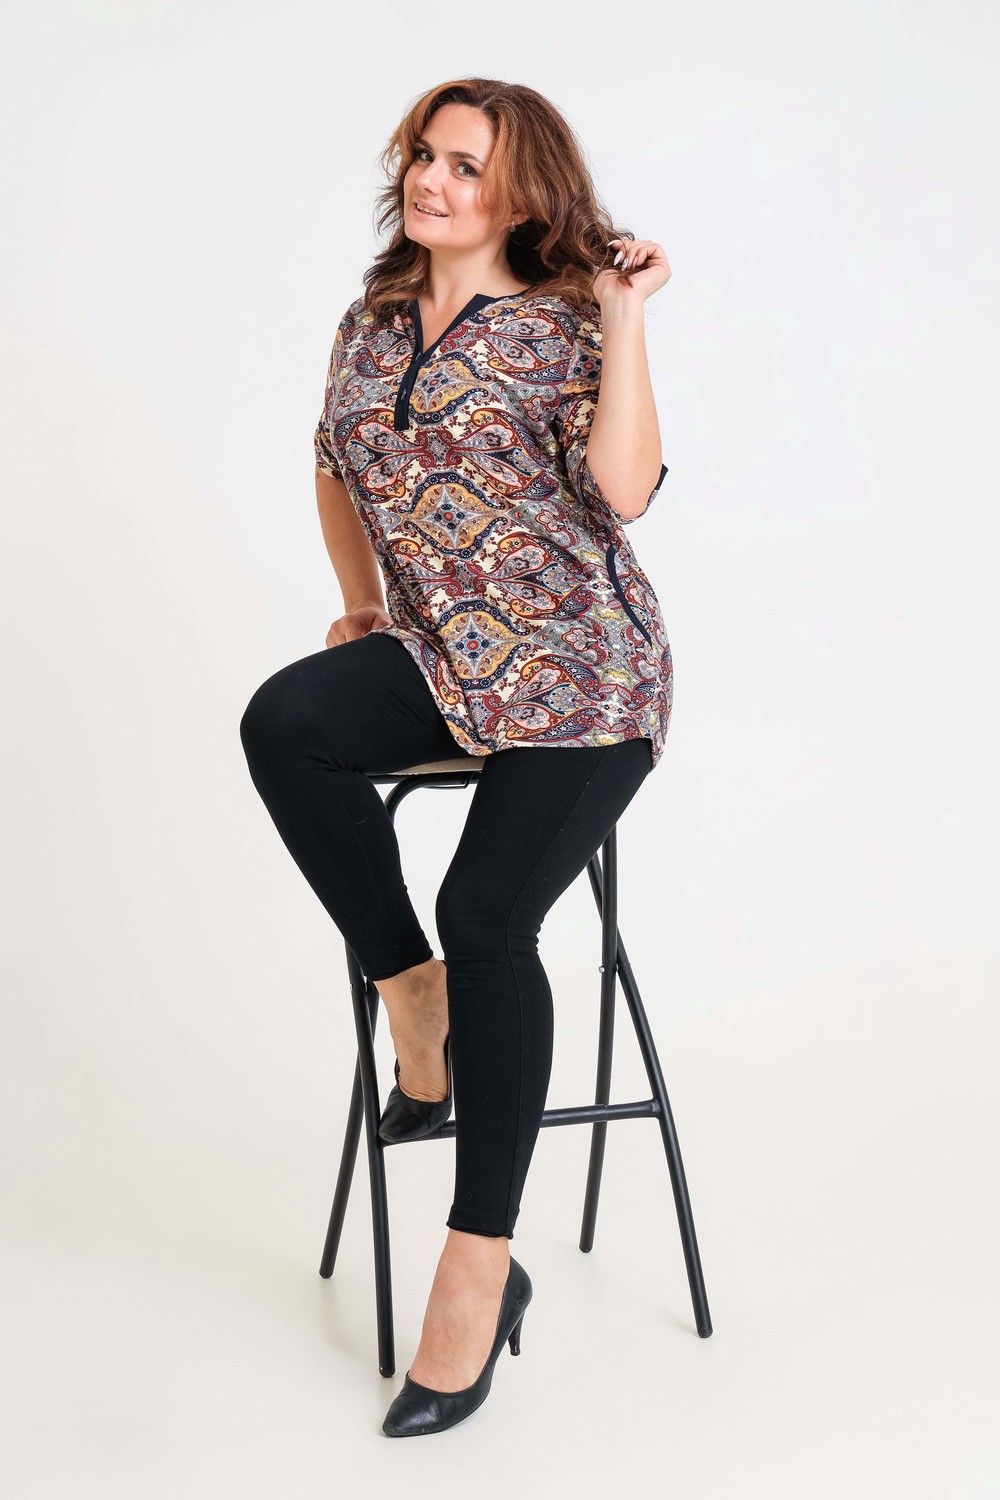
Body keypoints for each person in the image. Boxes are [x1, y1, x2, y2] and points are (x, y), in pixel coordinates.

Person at [239, 77, 674, 1438]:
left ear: (523, 188)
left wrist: (625, 318)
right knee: (287, 725)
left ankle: (479, 1263)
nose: (432, 180)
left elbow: (623, 491)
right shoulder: (372, 321)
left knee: (487, 915)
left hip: (583, 677)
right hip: (441, 659)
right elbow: (335, 462)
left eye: (466, 165)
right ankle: (407, 993)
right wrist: (360, 602)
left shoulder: (568, 320)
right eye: (424, 155)